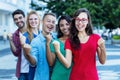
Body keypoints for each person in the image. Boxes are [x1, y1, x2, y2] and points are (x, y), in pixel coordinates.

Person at [53, 8, 106, 80]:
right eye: (78, 19)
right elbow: (67, 64)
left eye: (83, 20)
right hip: (75, 77)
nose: (80, 23)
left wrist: (103, 48)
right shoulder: (70, 41)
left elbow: (102, 61)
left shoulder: (96, 38)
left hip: (92, 77)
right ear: (74, 21)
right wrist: (57, 51)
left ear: (88, 21)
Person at [21, 13, 56, 80]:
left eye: (53, 22)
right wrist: (27, 54)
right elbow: (33, 63)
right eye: (48, 21)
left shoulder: (56, 38)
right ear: (42, 21)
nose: (51, 24)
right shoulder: (35, 42)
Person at [46, 15, 72, 80]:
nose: (65, 27)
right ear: (59, 28)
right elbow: (51, 63)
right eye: (62, 25)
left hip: (73, 76)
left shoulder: (77, 41)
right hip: (58, 76)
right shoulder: (55, 42)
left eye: (67, 24)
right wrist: (47, 44)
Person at [7, 9, 29, 80]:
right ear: (14, 21)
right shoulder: (15, 35)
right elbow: (16, 53)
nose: (18, 20)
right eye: (16, 19)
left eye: (20, 18)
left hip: (34, 69)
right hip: (22, 71)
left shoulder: (32, 32)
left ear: (24, 18)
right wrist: (10, 41)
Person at [20, 11, 40, 80]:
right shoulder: (25, 37)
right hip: (31, 70)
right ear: (28, 21)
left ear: (39, 20)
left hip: (41, 69)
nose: (33, 21)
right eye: (30, 19)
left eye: (35, 19)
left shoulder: (42, 34)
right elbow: (26, 56)